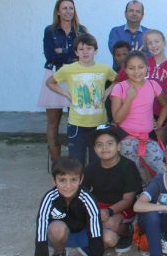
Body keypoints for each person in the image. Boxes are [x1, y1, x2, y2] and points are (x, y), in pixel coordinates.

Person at [35, 157, 108, 256]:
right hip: (59, 236)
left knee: (105, 237)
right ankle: (59, 254)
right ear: (53, 180)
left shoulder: (88, 198)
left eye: (73, 180)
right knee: (57, 228)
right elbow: (40, 235)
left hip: (83, 235)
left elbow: (96, 232)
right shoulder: (49, 198)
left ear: (81, 180)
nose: (68, 186)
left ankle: (87, 249)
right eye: (62, 180)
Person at [47, 33, 117, 166]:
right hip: (76, 124)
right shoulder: (68, 69)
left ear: (95, 51)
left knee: (96, 160)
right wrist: (66, 94)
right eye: (81, 49)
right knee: (76, 160)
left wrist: (108, 91)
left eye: (89, 48)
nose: (85, 52)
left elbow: (119, 80)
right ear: (76, 52)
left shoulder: (104, 69)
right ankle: (79, 186)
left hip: (99, 123)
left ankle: (94, 186)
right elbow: (50, 82)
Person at [39, 0, 87, 162]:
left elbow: (85, 55)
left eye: (71, 8)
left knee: (76, 119)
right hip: (55, 77)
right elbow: (50, 54)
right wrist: (71, 54)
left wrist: (62, 52)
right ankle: (56, 161)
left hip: (76, 78)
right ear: (58, 12)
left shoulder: (81, 31)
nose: (68, 11)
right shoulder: (50, 30)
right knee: (53, 121)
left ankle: (75, 159)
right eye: (64, 8)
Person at [110, 51, 167, 179]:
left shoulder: (153, 85)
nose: (136, 71)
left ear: (147, 67)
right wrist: (130, 97)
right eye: (131, 68)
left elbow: (166, 105)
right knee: (134, 176)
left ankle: (157, 196)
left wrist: (159, 123)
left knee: (164, 170)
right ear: (125, 69)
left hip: (148, 138)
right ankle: (138, 197)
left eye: (140, 67)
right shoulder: (119, 88)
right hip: (126, 139)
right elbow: (117, 119)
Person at [82, 125, 142, 252]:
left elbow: (128, 200)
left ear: (118, 146)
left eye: (109, 143)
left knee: (109, 224)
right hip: (100, 206)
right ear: (94, 149)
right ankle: (100, 242)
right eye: (99, 144)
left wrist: (108, 211)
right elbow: (83, 194)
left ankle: (126, 230)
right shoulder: (91, 168)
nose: (104, 148)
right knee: (89, 224)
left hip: (123, 207)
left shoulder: (128, 167)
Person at [143, 29, 167, 143]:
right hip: (142, 114)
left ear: (164, 43)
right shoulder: (143, 63)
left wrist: (160, 121)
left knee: (158, 149)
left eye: (157, 41)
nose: (154, 45)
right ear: (146, 46)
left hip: (161, 114)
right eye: (150, 43)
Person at [107, 0, 148, 67]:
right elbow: (117, 53)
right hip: (119, 74)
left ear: (142, 15)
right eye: (131, 10)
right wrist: (137, 54)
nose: (134, 13)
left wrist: (128, 54)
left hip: (143, 75)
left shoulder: (148, 34)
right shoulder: (115, 32)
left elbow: (151, 55)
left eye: (138, 11)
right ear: (125, 13)